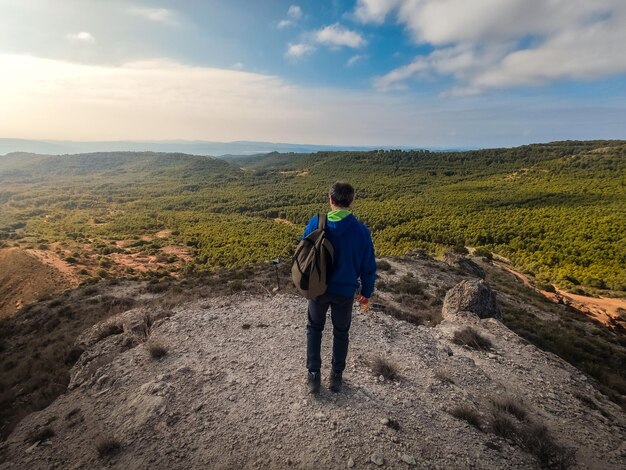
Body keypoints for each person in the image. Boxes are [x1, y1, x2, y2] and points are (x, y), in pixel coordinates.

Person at [301, 181, 376, 394]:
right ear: (351, 201)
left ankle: (314, 376)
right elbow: (368, 265)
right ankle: (336, 376)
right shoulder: (361, 231)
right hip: (344, 292)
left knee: (314, 329)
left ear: (331, 200)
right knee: (341, 332)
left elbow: (304, 251)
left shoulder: (316, 222)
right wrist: (366, 292)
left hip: (318, 289)